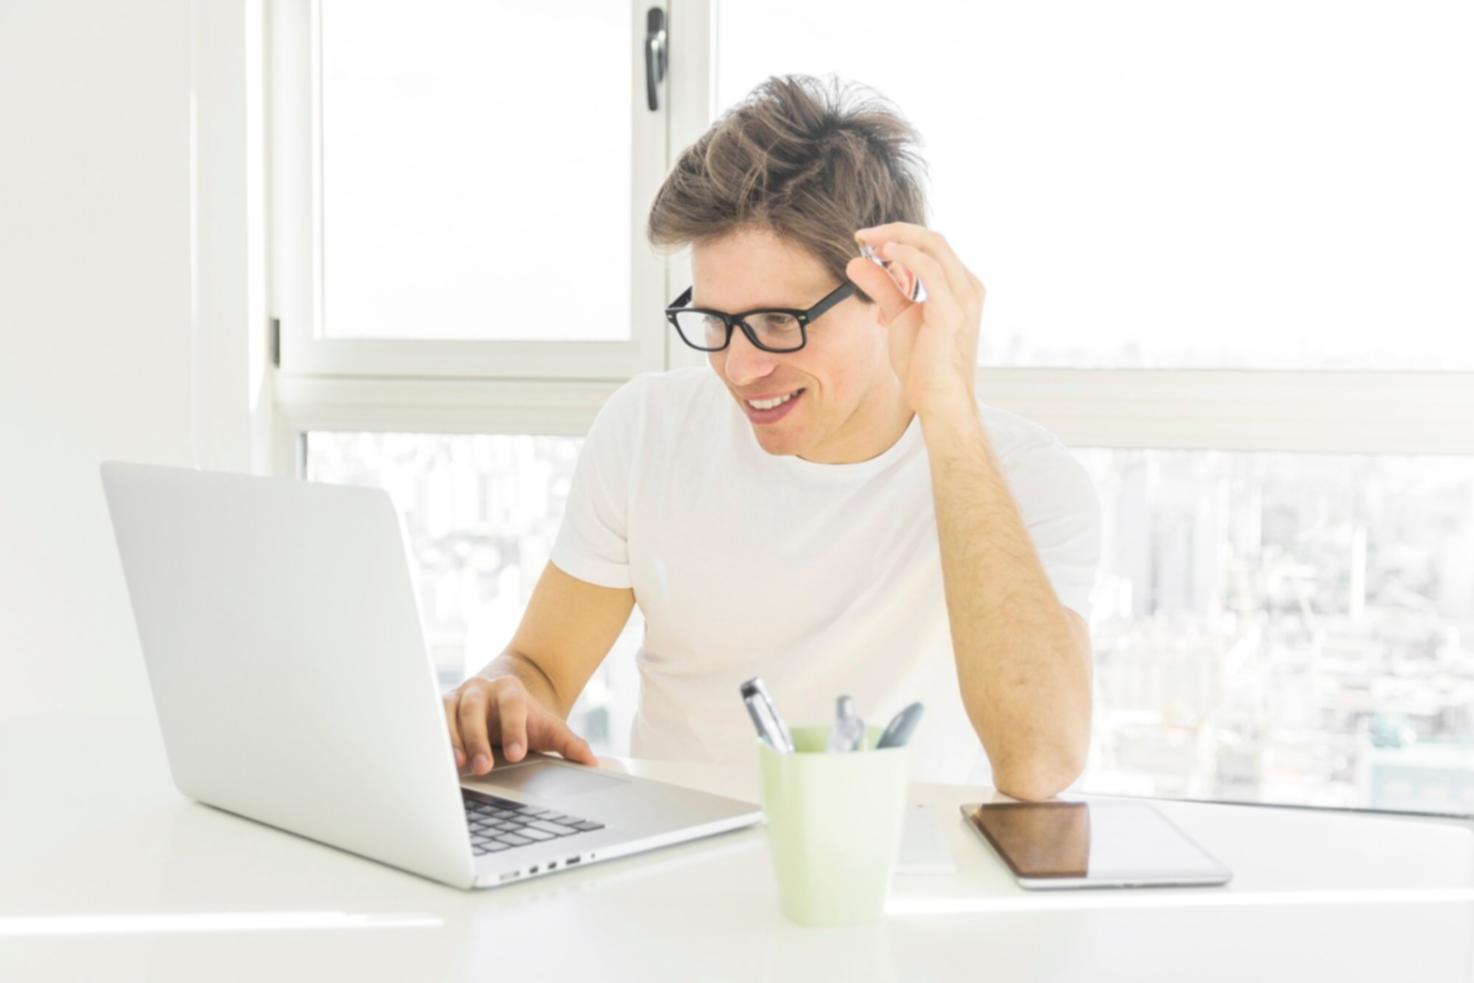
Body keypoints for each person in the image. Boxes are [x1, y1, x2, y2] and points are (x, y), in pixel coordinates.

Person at [443, 74, 1101, 799]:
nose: (739, 365)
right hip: (668, 876)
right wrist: (502, 695)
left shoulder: (1024, 477)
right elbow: (540, 669)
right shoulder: (646, 430)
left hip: (899, 882)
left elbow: (1040, 763)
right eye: (716, 321)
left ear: (892, 290)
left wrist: (947, 413)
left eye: (781, 322)